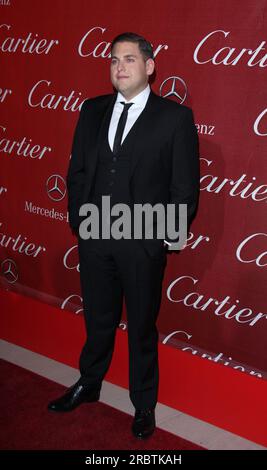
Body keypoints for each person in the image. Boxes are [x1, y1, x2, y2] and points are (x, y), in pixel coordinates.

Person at [48, 32, 199, 439]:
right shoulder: (92, 109)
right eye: (114, 60)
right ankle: (89, 382)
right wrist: (80, 220)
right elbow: (77, 171)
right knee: (97, 318)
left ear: (149, 67)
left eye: (129, 59)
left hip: (143, 243)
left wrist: (162, 238)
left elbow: (184, 187)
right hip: (95, 236)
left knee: (142, 327)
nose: (120, 67)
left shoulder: (174, 118)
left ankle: (144, 404)